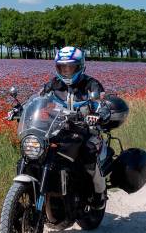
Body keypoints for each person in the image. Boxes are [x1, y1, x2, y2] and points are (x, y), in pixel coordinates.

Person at [39, 46, 111, 209]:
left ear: (79, 66)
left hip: (87, 131)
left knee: (89, 153)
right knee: (38, 151)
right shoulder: (53, 84)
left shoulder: (92, 84)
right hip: (59, 130)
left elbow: (102, 104)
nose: (66, 71)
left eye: (70, 67)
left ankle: (100, 193)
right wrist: (21, 110)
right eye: (63, 67)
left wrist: (99, 115)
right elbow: (38, 99)